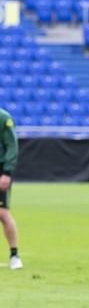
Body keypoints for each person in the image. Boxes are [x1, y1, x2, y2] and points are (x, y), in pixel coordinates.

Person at [0, 108, 21, 270]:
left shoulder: (3, 117)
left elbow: (11, 145)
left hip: (1, 170)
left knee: (2, 212)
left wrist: (7, 172)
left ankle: (14, 255)